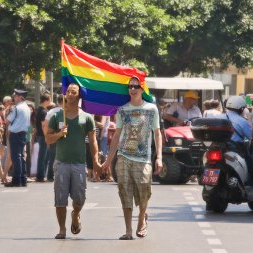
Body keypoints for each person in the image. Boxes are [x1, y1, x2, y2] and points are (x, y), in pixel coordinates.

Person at [102, 77, 163, 240]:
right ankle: (128, 230)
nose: (133, 89)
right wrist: (109, 160)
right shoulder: (122, 110)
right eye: (130, 86)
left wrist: (160, 158)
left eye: (136, 86)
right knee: (125, 193)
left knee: (144, 192)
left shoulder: (151, 109)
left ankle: (142, 217)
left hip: (144, 159)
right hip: (124, 156)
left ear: (142, 89)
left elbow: (157, 133)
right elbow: (116, 136)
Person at [46, 83, 101, 239]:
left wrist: (95, 162)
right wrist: (59, 134)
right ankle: (62, 229)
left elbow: (93, 141)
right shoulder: (57, 116)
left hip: (79, 164)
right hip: (61, 163)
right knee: (60, 198)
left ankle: (75, 214)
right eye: (68, 91)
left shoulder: (87, 117)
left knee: (80, 198)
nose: (70, 94)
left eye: (73, 92)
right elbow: (48, 138)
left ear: (79, 96)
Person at [4, 89, 31, 187]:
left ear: (20, 97)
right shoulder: (27, 107)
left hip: (15, 134)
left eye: (15, 96)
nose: (13, 98)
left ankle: (17, 180)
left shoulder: (17, 108)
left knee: (16, 157)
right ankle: (23, 179)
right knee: (21, 157)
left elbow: (7, 121)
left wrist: (7, 112)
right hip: (23, 133)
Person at [35, 93, 51, 182]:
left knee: (43, 156)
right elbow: (44, 125)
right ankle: (40, 175)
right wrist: (46, 136)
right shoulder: (43, 112)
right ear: (46, 101)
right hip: (43, 135)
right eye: (49, 100)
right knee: (43, 156)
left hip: (40, 135)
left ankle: (41, 174)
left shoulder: (39, 110)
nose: (50, 102)